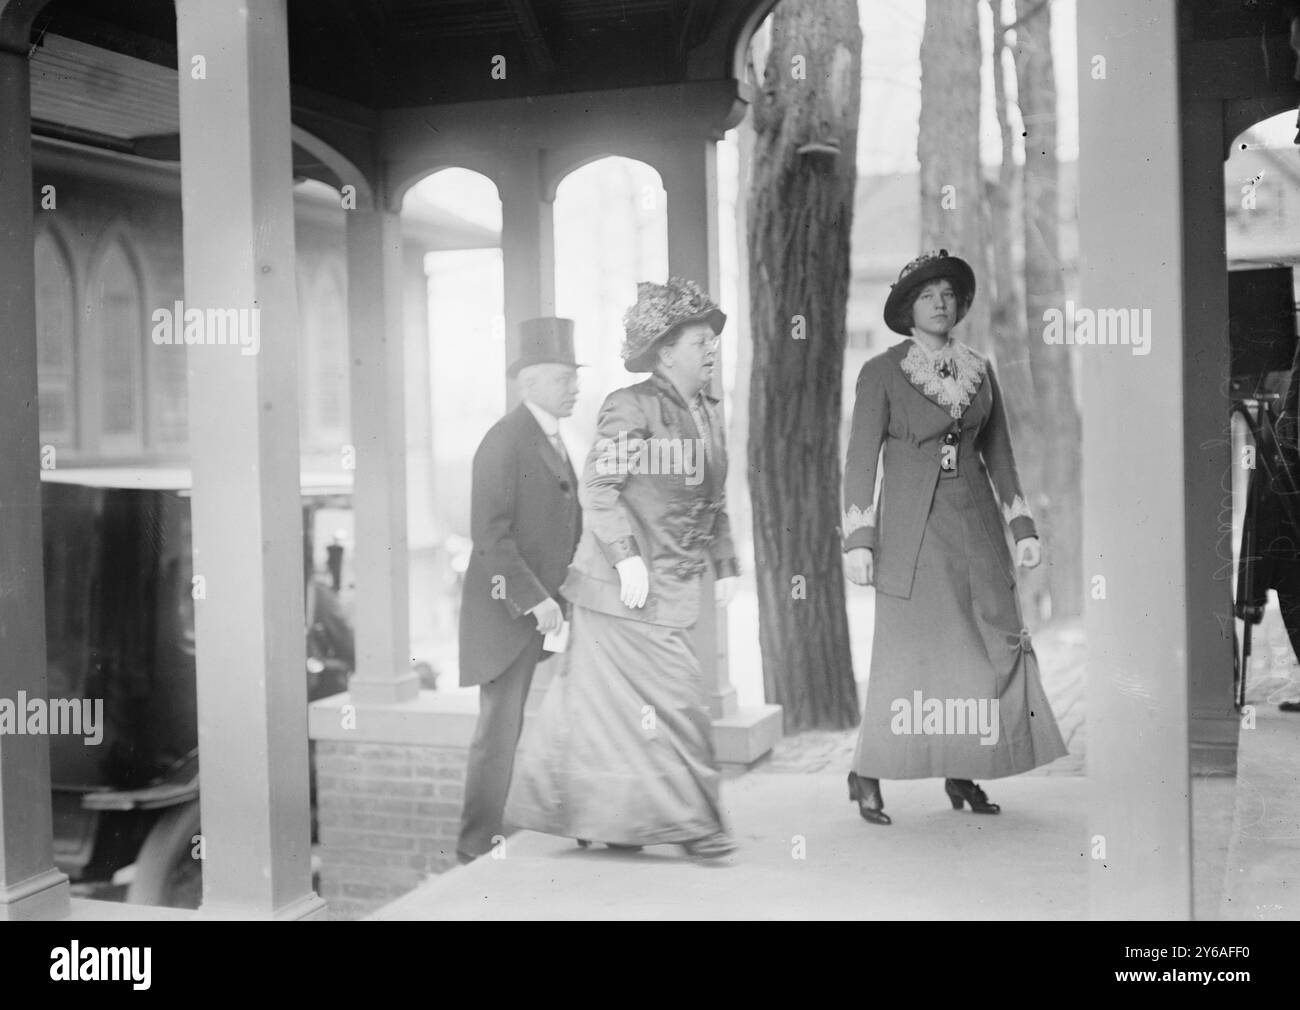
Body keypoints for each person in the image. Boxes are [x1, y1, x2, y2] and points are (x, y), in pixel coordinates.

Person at [504, 278, 740, 860]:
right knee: (678, 705)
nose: (711, 350)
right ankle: (697, 826)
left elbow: (715, 497)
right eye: (700, 341)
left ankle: (606, 818)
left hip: (670, 583)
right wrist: (626, 557)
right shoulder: (629, 405)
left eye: (713, 340)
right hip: (624, 589)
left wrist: (726, 561)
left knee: (605, 714)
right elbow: (600, 486)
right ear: (664, 352)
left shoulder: (709, 411)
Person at [841, 250, 1067, 825]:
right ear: (907, 310)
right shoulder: (882, 372)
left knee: (984, 650)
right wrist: (858, 541)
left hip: (977, 528)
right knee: (910, 660)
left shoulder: (980, 369)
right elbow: (860, 462)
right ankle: (867, 771)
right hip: (911, 536)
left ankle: (961, 768)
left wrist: (1022, 528)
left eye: (947, 293)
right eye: (927, 295)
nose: (940, 303)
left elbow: (1002, 458)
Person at [455, 317, 583, 863]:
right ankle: (475, 847)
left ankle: (572, 818)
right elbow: (489, 535)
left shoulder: (554, 438)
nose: (574, 387)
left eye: (574, 377)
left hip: (552, 609)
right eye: (562, 379)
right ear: (528, 383)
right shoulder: (504, 440)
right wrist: (534, 599)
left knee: (572, 712)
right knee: (498, 730)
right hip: (509, 614)